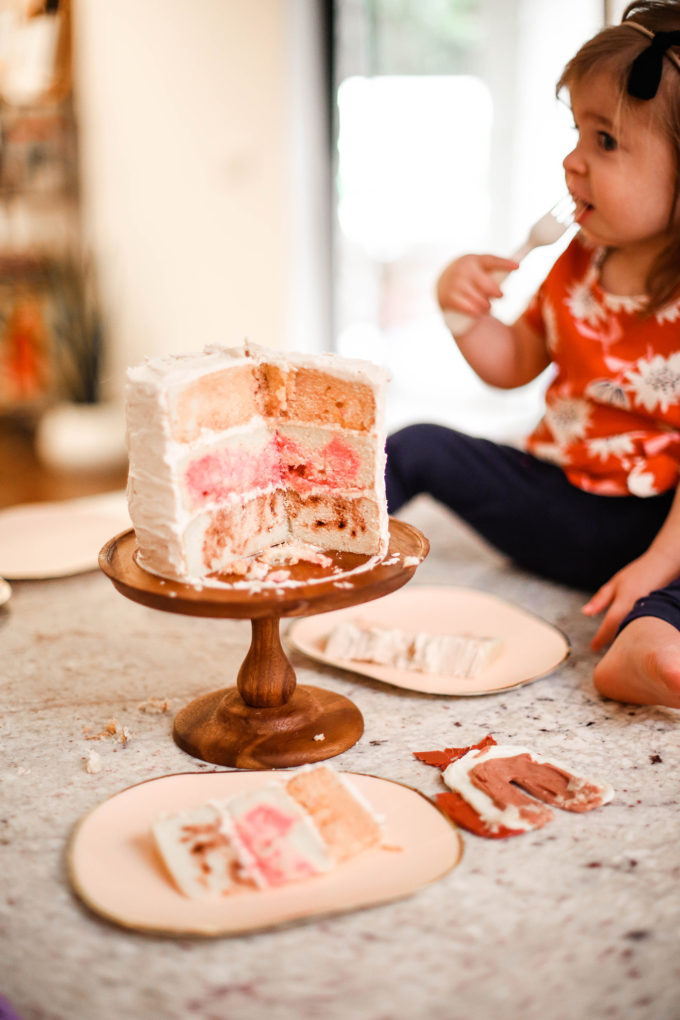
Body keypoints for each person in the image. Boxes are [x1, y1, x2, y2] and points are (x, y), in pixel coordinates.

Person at [385, 0, 680, 708]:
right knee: (417, 444)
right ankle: (328, 545)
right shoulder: (579, 258)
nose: (572, 160)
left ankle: (649, 640)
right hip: (559, 499)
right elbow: (515, 361)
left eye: (605, 141)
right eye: (577, 131)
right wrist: (462, 313)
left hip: (663, 527)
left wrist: (653, 569)